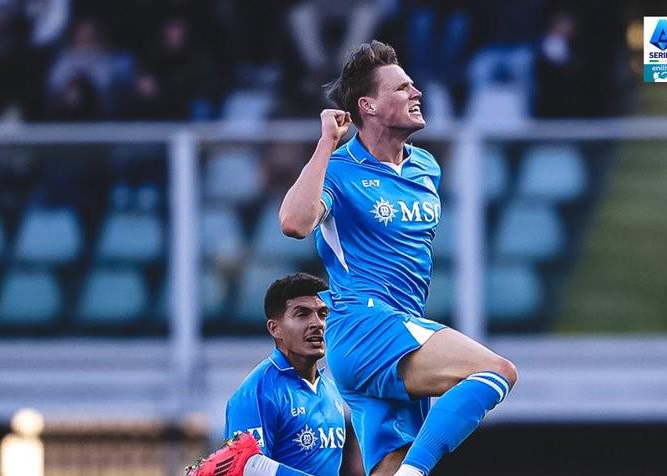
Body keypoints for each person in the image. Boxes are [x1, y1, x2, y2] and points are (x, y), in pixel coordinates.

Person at [279, 40, 518, 476]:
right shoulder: (339, 170)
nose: (416, 92)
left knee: (391, 467)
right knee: (495, 371)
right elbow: (294, 223)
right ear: (368, 105)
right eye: (402, 87)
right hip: (364, 326)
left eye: (412, 85)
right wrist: (326, 144)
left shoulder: (426, 166)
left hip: (398, 331)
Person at [221, 273, 346, 476]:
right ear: (275, 329)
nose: (318, 324)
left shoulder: (331, 390)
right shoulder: (256, 392)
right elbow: (246, 466)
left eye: (323, 314)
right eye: (302, 314)